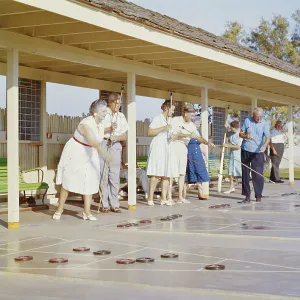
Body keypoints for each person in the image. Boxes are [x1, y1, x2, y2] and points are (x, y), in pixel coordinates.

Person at [53, 100, 108, 220]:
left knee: (90, 179)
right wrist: (104, 153)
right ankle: (59, 209)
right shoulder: (86, 124)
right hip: (76, 151)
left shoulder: (101, 123)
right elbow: (92, 140)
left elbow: (99, 135)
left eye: (106, 110)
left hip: (90, 152)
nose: (106, 113)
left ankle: (87, 212)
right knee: (69, 179)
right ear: (95, 113)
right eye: (103, 111)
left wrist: (111, 130)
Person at [170, 104, 215, 203]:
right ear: (185, 113)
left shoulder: (191, 125)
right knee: (172, 173)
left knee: (182, 174)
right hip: (173, 146)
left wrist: (207, 142)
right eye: (191, 115)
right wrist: (188, 134)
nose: (192, 117)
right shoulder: (175, 120)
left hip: (183, 148)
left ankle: (181, 197)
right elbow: (173, 135)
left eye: (194, 115)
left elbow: (198, 137)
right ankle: (168, 197)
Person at [100, 93, 128, 213]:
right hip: (104, 143)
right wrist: (109, 129)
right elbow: (97, 130)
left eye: (119, 103)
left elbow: (125, 135)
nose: (118, 105)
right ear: (110, 103)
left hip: (115, 145)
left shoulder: (121, 116)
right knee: (104, 175)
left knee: (114, 175)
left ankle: (115, 204)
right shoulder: (103, 113)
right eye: (116, 103)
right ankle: (104, 204)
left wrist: (116, 137)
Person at [146, 100, 175, 206]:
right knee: (156, 173)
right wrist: (164, 127)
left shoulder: (170, 120)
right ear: (166, 108)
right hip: (158, 145)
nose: (173, 112)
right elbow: (150, 132)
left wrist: (172, 136)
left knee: (166, 173)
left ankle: (164, 198)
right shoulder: (158, 118)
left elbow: (171, 133)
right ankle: (150, 198)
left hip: (167, 145)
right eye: (172, 109)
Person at [239, 108, 270, 203]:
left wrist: (264, 146)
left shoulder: (265, 123)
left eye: (260, 117)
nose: (259, 119)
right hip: (246, 149)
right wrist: (246, 136)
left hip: (258, 151)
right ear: (253, 115)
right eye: (257, 117)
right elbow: (240, 134)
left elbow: (267, 137)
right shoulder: (247, 121)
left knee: (258, 174)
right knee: (245, 174)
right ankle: (247, 196)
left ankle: (258, 195)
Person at [184, 116, 214, 200]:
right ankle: (183, 195)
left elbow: (201, 142)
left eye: (199, 123)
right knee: (187, 173)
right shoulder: (188, 131)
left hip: (198, 153)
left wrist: (205, 152)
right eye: (197, 122)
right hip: (189, 152)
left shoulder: (199, 132)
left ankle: (202, 193)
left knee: (201, 171)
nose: (198, 124)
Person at [222, 120, 242, 194]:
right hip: (232, 154)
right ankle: (231, 187)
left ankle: (246, 187)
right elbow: (226, 134)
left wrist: (228, 145)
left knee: (240, 172)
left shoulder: (240, 134)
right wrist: (226, 128)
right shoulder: (231, 133)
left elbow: (238, 147)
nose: (231, 129)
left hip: (238, 155)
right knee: (230, 171)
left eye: (232, 128)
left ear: (236, 127)